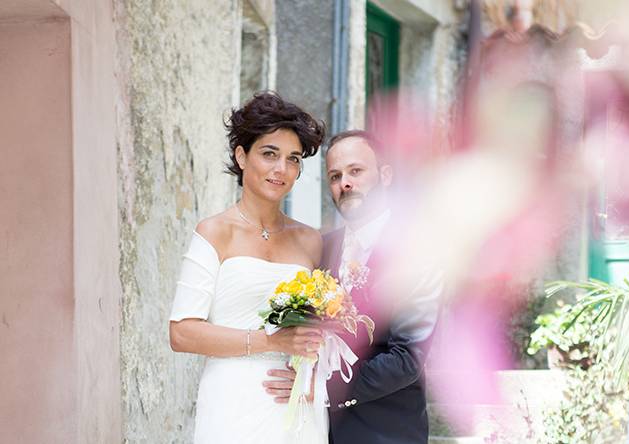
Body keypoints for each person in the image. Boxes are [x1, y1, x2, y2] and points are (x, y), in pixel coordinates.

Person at [169, 92, 328, 444]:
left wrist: (316, 380)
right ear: (242, 157)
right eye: (269, 154)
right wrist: (269, 341)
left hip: (296, 406)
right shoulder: (214, 233)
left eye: (293, 159)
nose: (281, 169)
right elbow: (181, 333)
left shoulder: (310, 241)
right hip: (232, 403)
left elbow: (329, 331)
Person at [264, 130, 442, 444]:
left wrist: (322, 388)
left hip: (386, 432)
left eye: (355, 171)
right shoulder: (324, 247)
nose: (344, 183)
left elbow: (407, 358)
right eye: (335, 176)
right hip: (318, 430)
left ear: (385, 175)